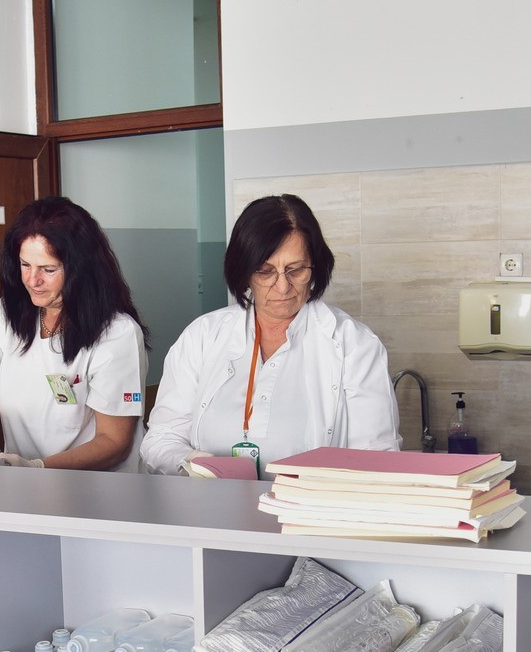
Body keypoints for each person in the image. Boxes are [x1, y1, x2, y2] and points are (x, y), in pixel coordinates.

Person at [142, 193, 398, 475]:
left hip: (309, 503)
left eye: (295, 270)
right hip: (212, 501)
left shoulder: (354, 344)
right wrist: (194, 464)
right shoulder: (203, 336)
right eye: (265, 272)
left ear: (315, 268)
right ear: (244, 273)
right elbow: (161, 438)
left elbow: (376, 458)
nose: (283, 287)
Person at [0, 197, 147, 470]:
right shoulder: (6, 314)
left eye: (48, 269)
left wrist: (38, 467)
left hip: (94, 488)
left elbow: (114, 442)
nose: (33, 280)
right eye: (25, 265)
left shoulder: (117, 333)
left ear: (82, 270)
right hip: (24, 483)